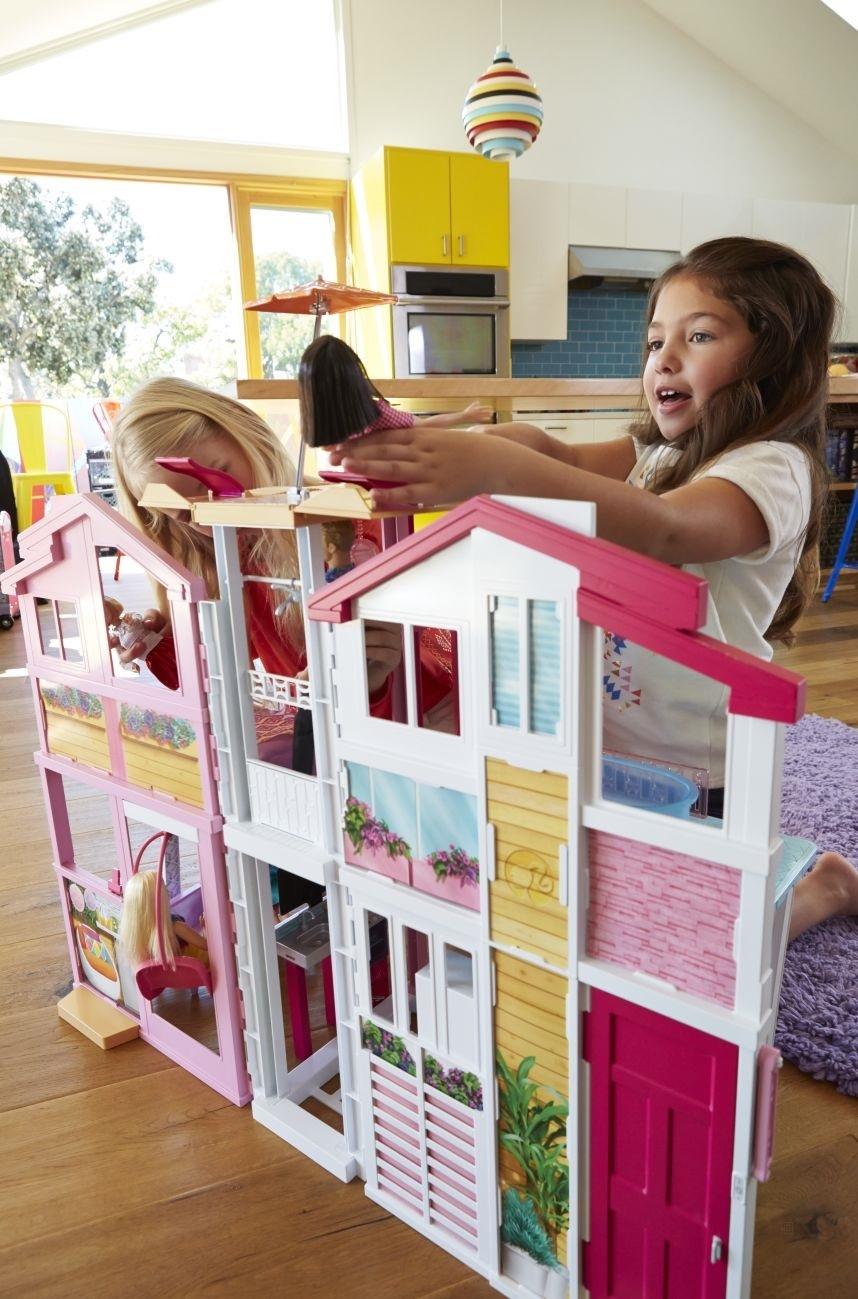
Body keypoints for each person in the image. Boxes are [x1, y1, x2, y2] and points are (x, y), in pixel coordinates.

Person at [328, 236, 858, 942]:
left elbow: (667, 528)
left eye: (699, 336)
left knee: (702, 948)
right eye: (655, 341)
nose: (663, 358)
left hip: (699, 766)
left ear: (776, 358)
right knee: (600, 912)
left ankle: (824, 886)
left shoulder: (773, 468)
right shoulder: (661, 453)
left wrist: (491, 468)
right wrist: (446, 440)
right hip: (605, 739)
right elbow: (557, 453)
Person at [298, 334, 532, 448]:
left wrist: (465, 416)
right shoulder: (373, 415)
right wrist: (464, 417)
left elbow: (424, 426)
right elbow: (424, 425)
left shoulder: (372, 417)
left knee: (481, 433)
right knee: (481, 433)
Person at [118, 869, 209, 970]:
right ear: (161, 898)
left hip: (164, 977)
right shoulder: (175, 927)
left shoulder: (133, 934)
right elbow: (207, 946)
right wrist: (205, 928)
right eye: (164, 888)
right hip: (192, 972)